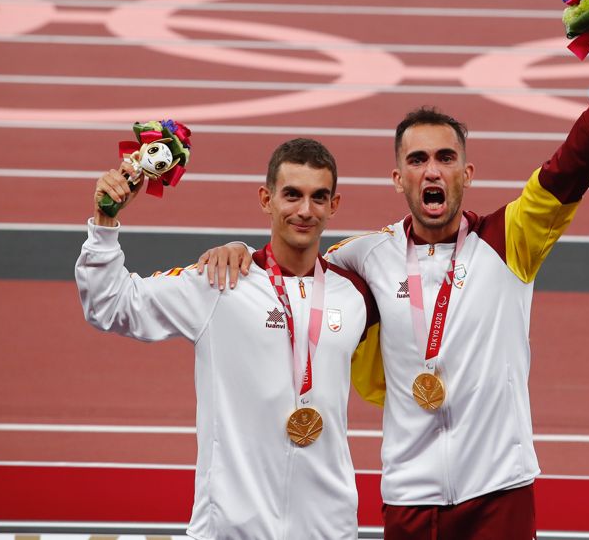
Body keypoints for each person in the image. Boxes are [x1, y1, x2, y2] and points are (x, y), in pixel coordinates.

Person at [198, 34, 589, 538]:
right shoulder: (365, 257)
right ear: (397, 178)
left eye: (446, 158)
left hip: (499, 488)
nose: (432, 169)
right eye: (417, 160)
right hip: (410, 497)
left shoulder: (509, 241)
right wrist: (240, 253)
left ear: (466, 173)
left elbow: (566, 173)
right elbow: (293, 270)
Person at [76, 138, 377, 540]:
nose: (305, 211)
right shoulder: (220, 282)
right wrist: (104, 222)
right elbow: (111, 305)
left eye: (318, 198)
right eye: (292, 195)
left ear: (334, 206)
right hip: (231, 529)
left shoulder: (355, 293)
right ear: (265, 199)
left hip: (327, 528)